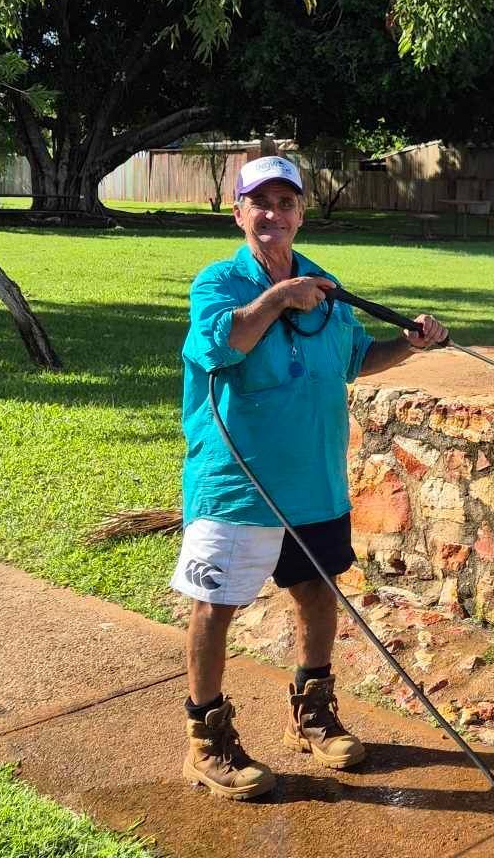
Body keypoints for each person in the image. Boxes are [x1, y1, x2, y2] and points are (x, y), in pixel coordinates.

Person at [172, 154, 448, 801]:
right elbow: (222, 345)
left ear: (300, 213)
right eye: (259, 203)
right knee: (216, 608)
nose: (273, 214)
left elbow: (356, 358)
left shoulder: (325, 286)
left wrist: (409, 342)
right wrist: (278, 298)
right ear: (239, 213)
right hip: (237, 484)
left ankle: (313, 714)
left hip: (315, 485)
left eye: (286, 203)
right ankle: (207, 741)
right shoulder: (218, 284)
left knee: (317, 598)